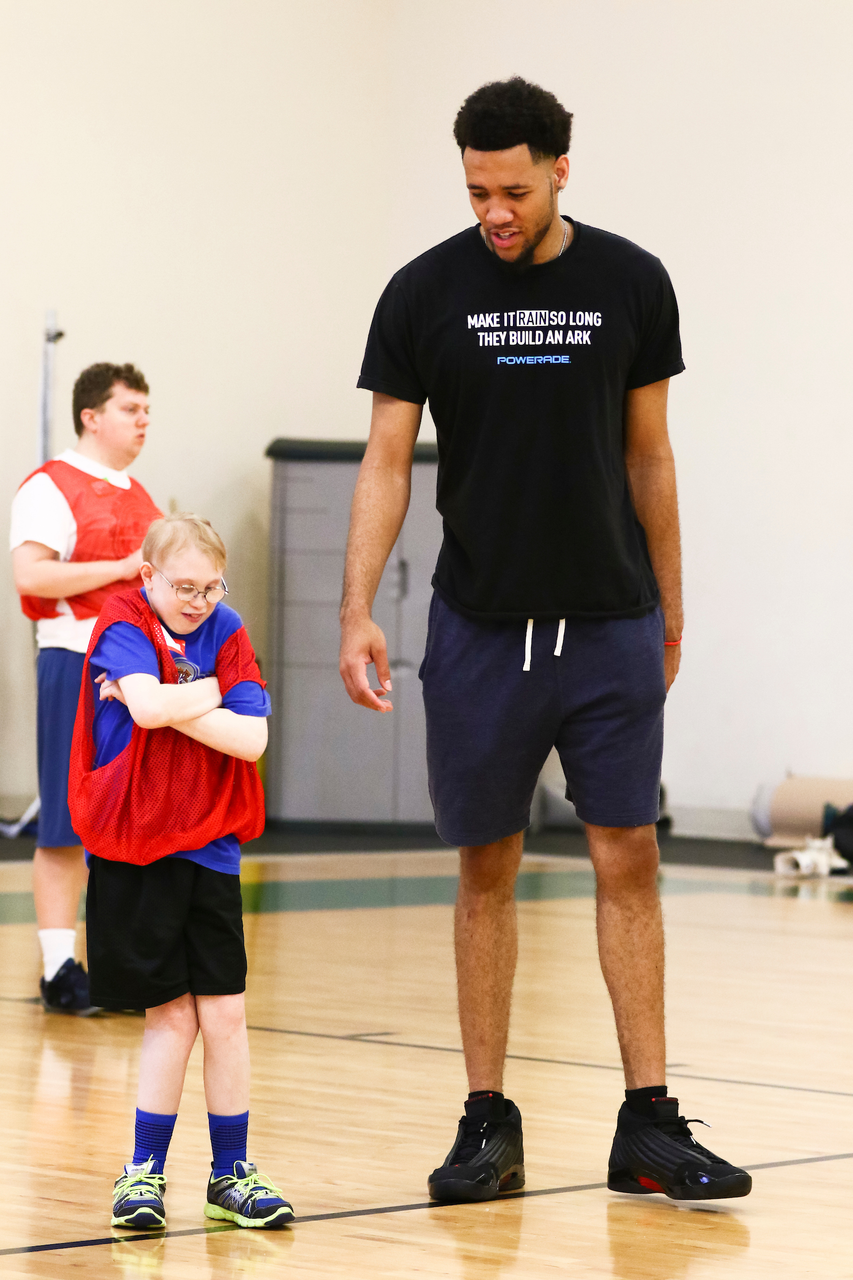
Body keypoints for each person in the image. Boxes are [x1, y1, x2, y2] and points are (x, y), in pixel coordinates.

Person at [340, 77, 751, 1204]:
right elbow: (384, 459)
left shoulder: (630, 281)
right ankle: (486, 1121)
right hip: (480, 628)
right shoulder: (421, 292)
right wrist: (356, 606)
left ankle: (648, 1124)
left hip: (610, 624)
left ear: (562, 168)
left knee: (631, 858)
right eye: (476, 190)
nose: (494, 211)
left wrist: (669, 601)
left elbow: (649, 456)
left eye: (513, 189)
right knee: (487, 869)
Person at [68, 513, 293, 1230]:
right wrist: (202, 695)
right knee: (168, 1014)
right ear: (149, 578)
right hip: (135, 843)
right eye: (184, 587)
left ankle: (231, 1175)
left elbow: (251, 740)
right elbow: (145, 704)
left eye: (210, 586)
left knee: (224, 1014)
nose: (198, 600)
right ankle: (143, 1176)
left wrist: (169, 705)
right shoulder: (121, 619)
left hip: (212, 848)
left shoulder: (227, 627)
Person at [10, 363, 161, 1014]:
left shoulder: (142, 496)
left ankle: (117, 964)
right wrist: (126, 567)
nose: (144, 420)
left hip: (135, 672)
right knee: (66, 824)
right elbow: (32, 577)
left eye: (148, 409)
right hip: (76, 661)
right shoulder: (51, 486)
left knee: (123, 824)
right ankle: (57, 968)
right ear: (91, 416)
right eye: (131, 408)